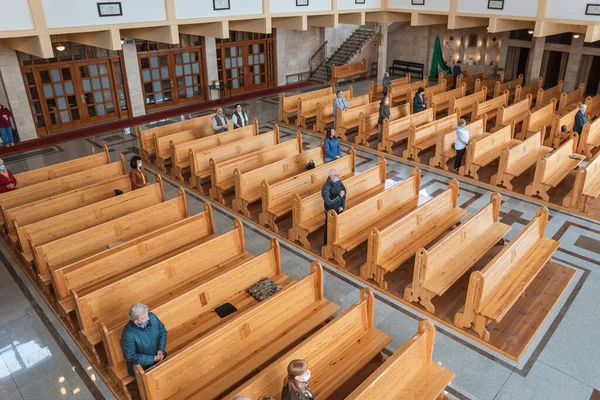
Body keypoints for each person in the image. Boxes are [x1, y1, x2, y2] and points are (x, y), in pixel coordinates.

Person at [120, 303, 168, 378]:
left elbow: (162, 331)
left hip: (160, 356)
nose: (148, 318)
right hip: (144, 367)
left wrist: (161, 349)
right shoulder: (128, 334)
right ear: (136, 320)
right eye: (144, 317)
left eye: (147, 314)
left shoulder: (152, 317)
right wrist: (153, 359)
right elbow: (131, 356)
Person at [321, 168, 346, 245]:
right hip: (330, 211)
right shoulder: (326, 187)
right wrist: (338, 196)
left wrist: (342, 205)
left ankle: (335, 242)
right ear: (331, 176)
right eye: (337, 175)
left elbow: (343, 192)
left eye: (339, 175)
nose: (339, 177)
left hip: (339, 208)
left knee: (337, 227)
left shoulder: (338, 182)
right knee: (329, 228)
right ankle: (326, 245)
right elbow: (328, 201)